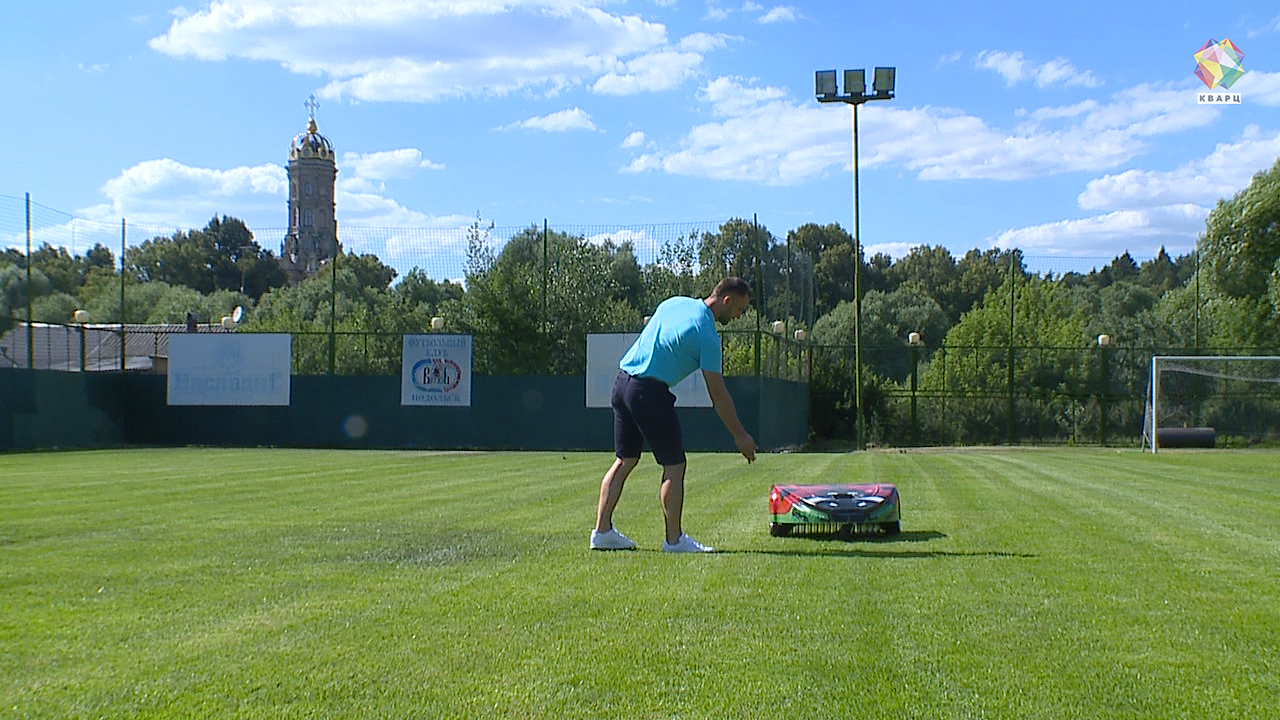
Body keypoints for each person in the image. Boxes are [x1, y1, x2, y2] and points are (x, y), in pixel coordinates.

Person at [591, 277, 757, 553]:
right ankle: (674, 541)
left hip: (622, 384)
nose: (738, 316)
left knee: (625, 460)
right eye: (739, 309)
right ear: (727, 300)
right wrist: (741, 436)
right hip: (648, 392)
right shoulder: (706, 334)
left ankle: (602, 532)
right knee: (674, 466)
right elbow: (719, 395)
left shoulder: (675, 303)